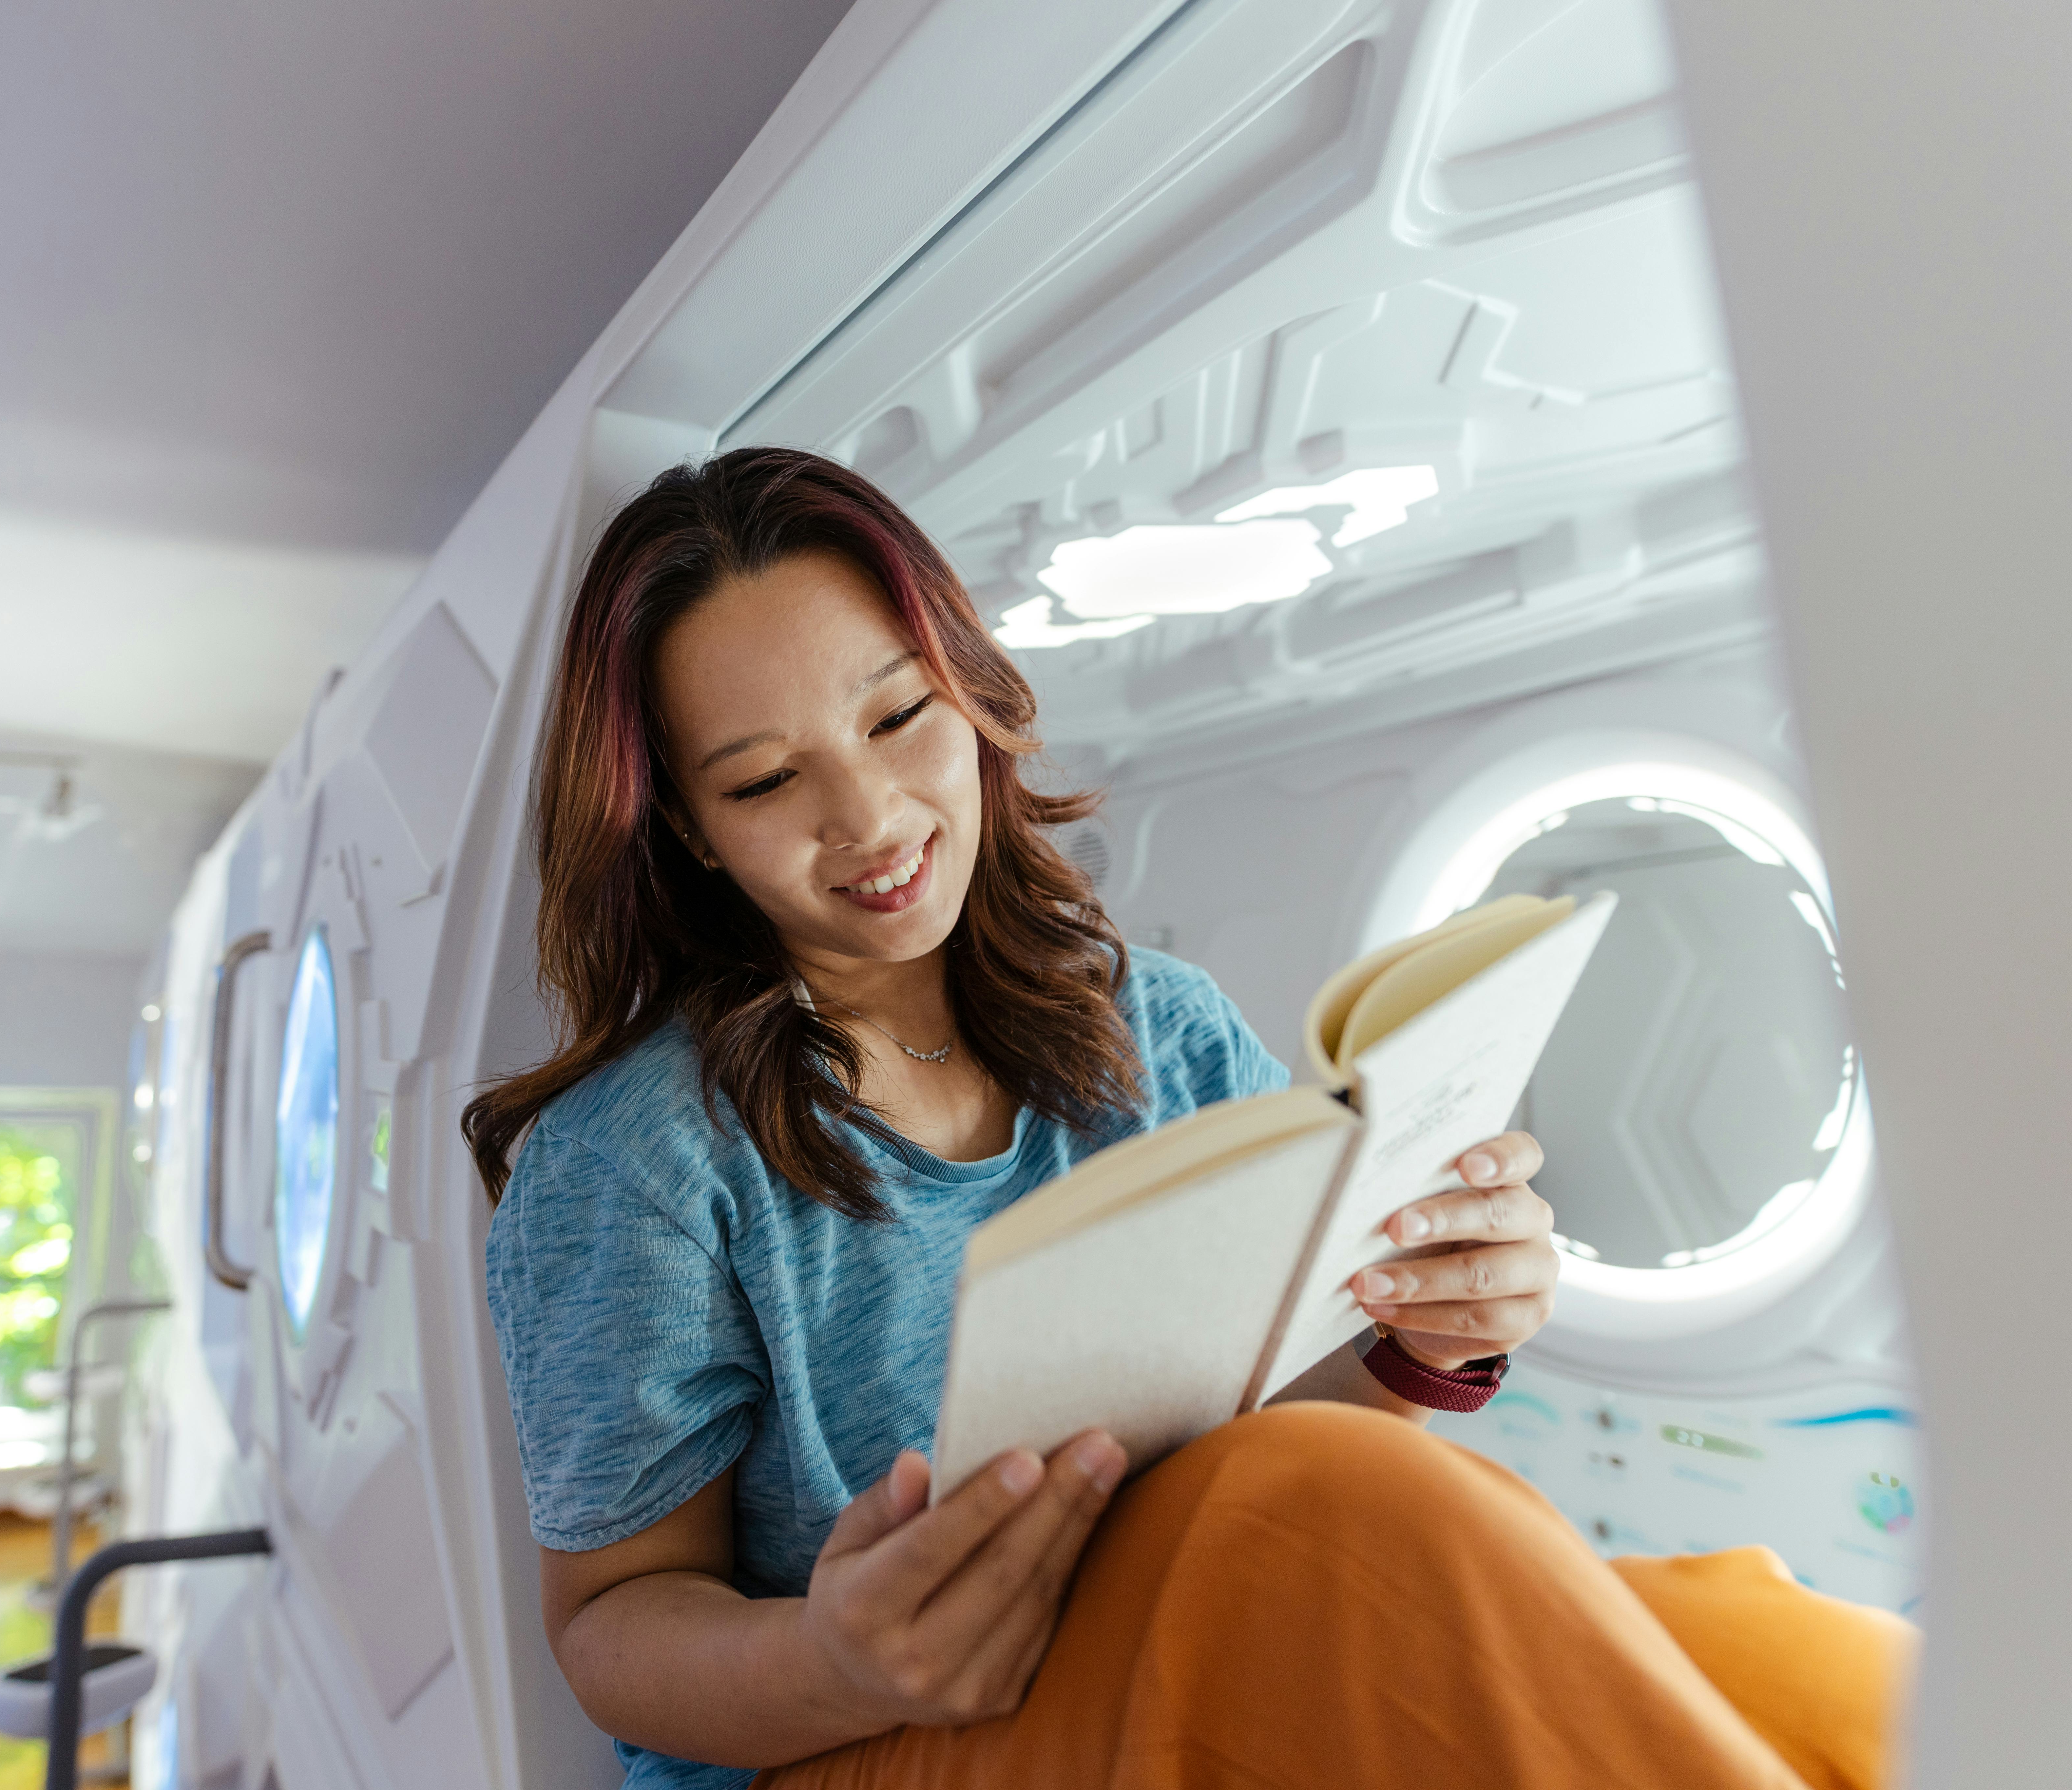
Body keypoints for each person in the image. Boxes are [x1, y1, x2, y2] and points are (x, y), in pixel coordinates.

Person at [466, 448, 1912, 1790]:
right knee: (1334, 1516)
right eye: (767, 780)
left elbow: (1284, 1431)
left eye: (898, 714)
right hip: (868, 1740)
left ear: (965, 693)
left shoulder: (1150, 1018)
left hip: (1185, 1608)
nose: (866, 813)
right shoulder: (634, 1159)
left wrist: (1427, 1341)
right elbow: (608, 1626)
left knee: (1782, 1650)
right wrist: (832, 1658)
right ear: (686, 832)